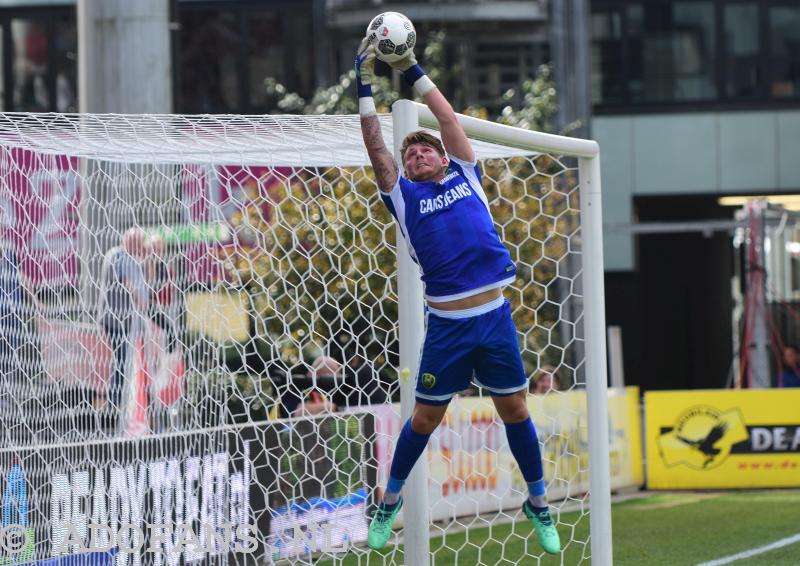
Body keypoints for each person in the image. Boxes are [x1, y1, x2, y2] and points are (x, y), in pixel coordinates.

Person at [355, 38, 560, 554]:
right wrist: (363, 84)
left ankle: (537, 502)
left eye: (425, 148)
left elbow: (448, 119)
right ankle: (389, 501)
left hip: (493, 318)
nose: (417, 152)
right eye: (411, 152)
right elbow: (377, 147)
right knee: (423, 419)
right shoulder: (403, 196)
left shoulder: (467, 174)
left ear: (443, 156)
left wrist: (411, 69)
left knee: (515, 410)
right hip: (446, 325)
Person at [98, 228, 149, 422]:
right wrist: (138, 297)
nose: (141, 246)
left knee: (125, 362)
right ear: (130, 241)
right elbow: (126, 280)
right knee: (121, 362)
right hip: (117, 321)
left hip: (127, 321)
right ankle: (115, 406)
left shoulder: (130, 258)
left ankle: (122, 403)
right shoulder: (118, 255)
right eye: (139, 242)